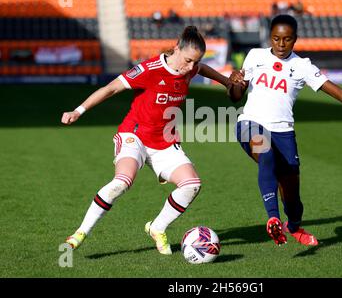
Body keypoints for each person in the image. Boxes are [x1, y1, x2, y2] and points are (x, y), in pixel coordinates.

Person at [62, 26, 240, 255]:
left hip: (164, 141)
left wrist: (226, 82)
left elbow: (202, 69)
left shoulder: (191, 67)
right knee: (122, 182)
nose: (190, 67)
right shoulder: (149, 69)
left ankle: (157, 228)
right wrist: (79, 111)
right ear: (176, 48)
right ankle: (80, 232)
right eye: (187, 60)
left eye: (194, 62)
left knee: (192, 185)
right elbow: (111, 89)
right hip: (134, 135)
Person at [228, 15, 342, 247]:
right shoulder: (255, 56)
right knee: (266, 154)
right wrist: (235, 84)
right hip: (249, 123)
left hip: (283, 133)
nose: (281, 44)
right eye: (276, 38)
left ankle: (293, 226)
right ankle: (273, 218)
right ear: (269, 37)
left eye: (287, 39)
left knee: (293, 198)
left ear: (295, 39)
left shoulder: (302, 66)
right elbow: (235, 97)